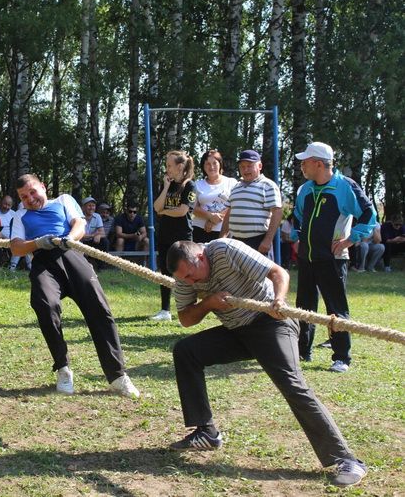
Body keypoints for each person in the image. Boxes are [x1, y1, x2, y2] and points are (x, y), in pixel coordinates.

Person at [166, 239, 367, 487]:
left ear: (200, 257)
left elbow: (277, 272)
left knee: (292, 385)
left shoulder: (224, 250)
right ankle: (206, 432)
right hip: (236, 330)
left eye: (191, 276)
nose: (190, 283)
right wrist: (208, 303)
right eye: (184, 279)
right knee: (186, 351)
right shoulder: (185, 276)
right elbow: (186, 319)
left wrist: (279, 301)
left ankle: (346, 460)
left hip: (270, 323)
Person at [10, 174, 139, 398]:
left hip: (71, 254)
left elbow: (79, 223)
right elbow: (16, 248)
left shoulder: (62, 200)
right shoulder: (20, 216)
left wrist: (70, 237)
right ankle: (63, 368)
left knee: (99, 309)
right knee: (44, 304)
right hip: (43, 262)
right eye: (24, 197)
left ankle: (117, 376)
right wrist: (38, 242)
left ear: (42, 186)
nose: (30, 199)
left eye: (32, 192)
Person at [292, 142, 376, 373]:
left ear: (319, 163)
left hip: (333, 259)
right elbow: (297, 216)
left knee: (336, 308)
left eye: (306, 161)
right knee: (304, 307)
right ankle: (302, 352)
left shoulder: (345, 187)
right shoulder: (305, 189)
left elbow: (369, 215)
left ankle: (341, 357)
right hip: (307, 258)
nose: (302, 166)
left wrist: (350, 240)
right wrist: (296, 235)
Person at [151, 150, 196, 322]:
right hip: (164, 236)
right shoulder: (167, 184)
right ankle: (165, 310)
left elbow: (182, 211)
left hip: (182, 237)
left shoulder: (190, 186)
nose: (167, 168)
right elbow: (157, 207)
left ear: (180, 166)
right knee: (165, 272)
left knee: (185, 272)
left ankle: (189, 307)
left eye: (169, 165)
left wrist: (164, 211)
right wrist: (167, 187)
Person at [221, 149, 282, 258]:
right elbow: (229, 213)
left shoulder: (268, 185)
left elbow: (277, 212)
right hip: (236, 242)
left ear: (259, 166)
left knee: (259, 275)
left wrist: (268, 240)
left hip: (258, 242)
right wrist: (222, 236)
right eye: (242, 167)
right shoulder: (235, 187)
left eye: (249, 166)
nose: (245, 169)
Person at [192, 150, 236, 243]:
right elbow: (192, 207)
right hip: (200, 230)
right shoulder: (196, 185)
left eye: (214, 163)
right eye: (207, 164)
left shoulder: (231, 183)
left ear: (220, 164)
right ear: (203, 166)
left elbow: (235, 205)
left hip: (225, 232)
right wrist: (210, 216)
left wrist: (213, 220)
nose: (211, 167)